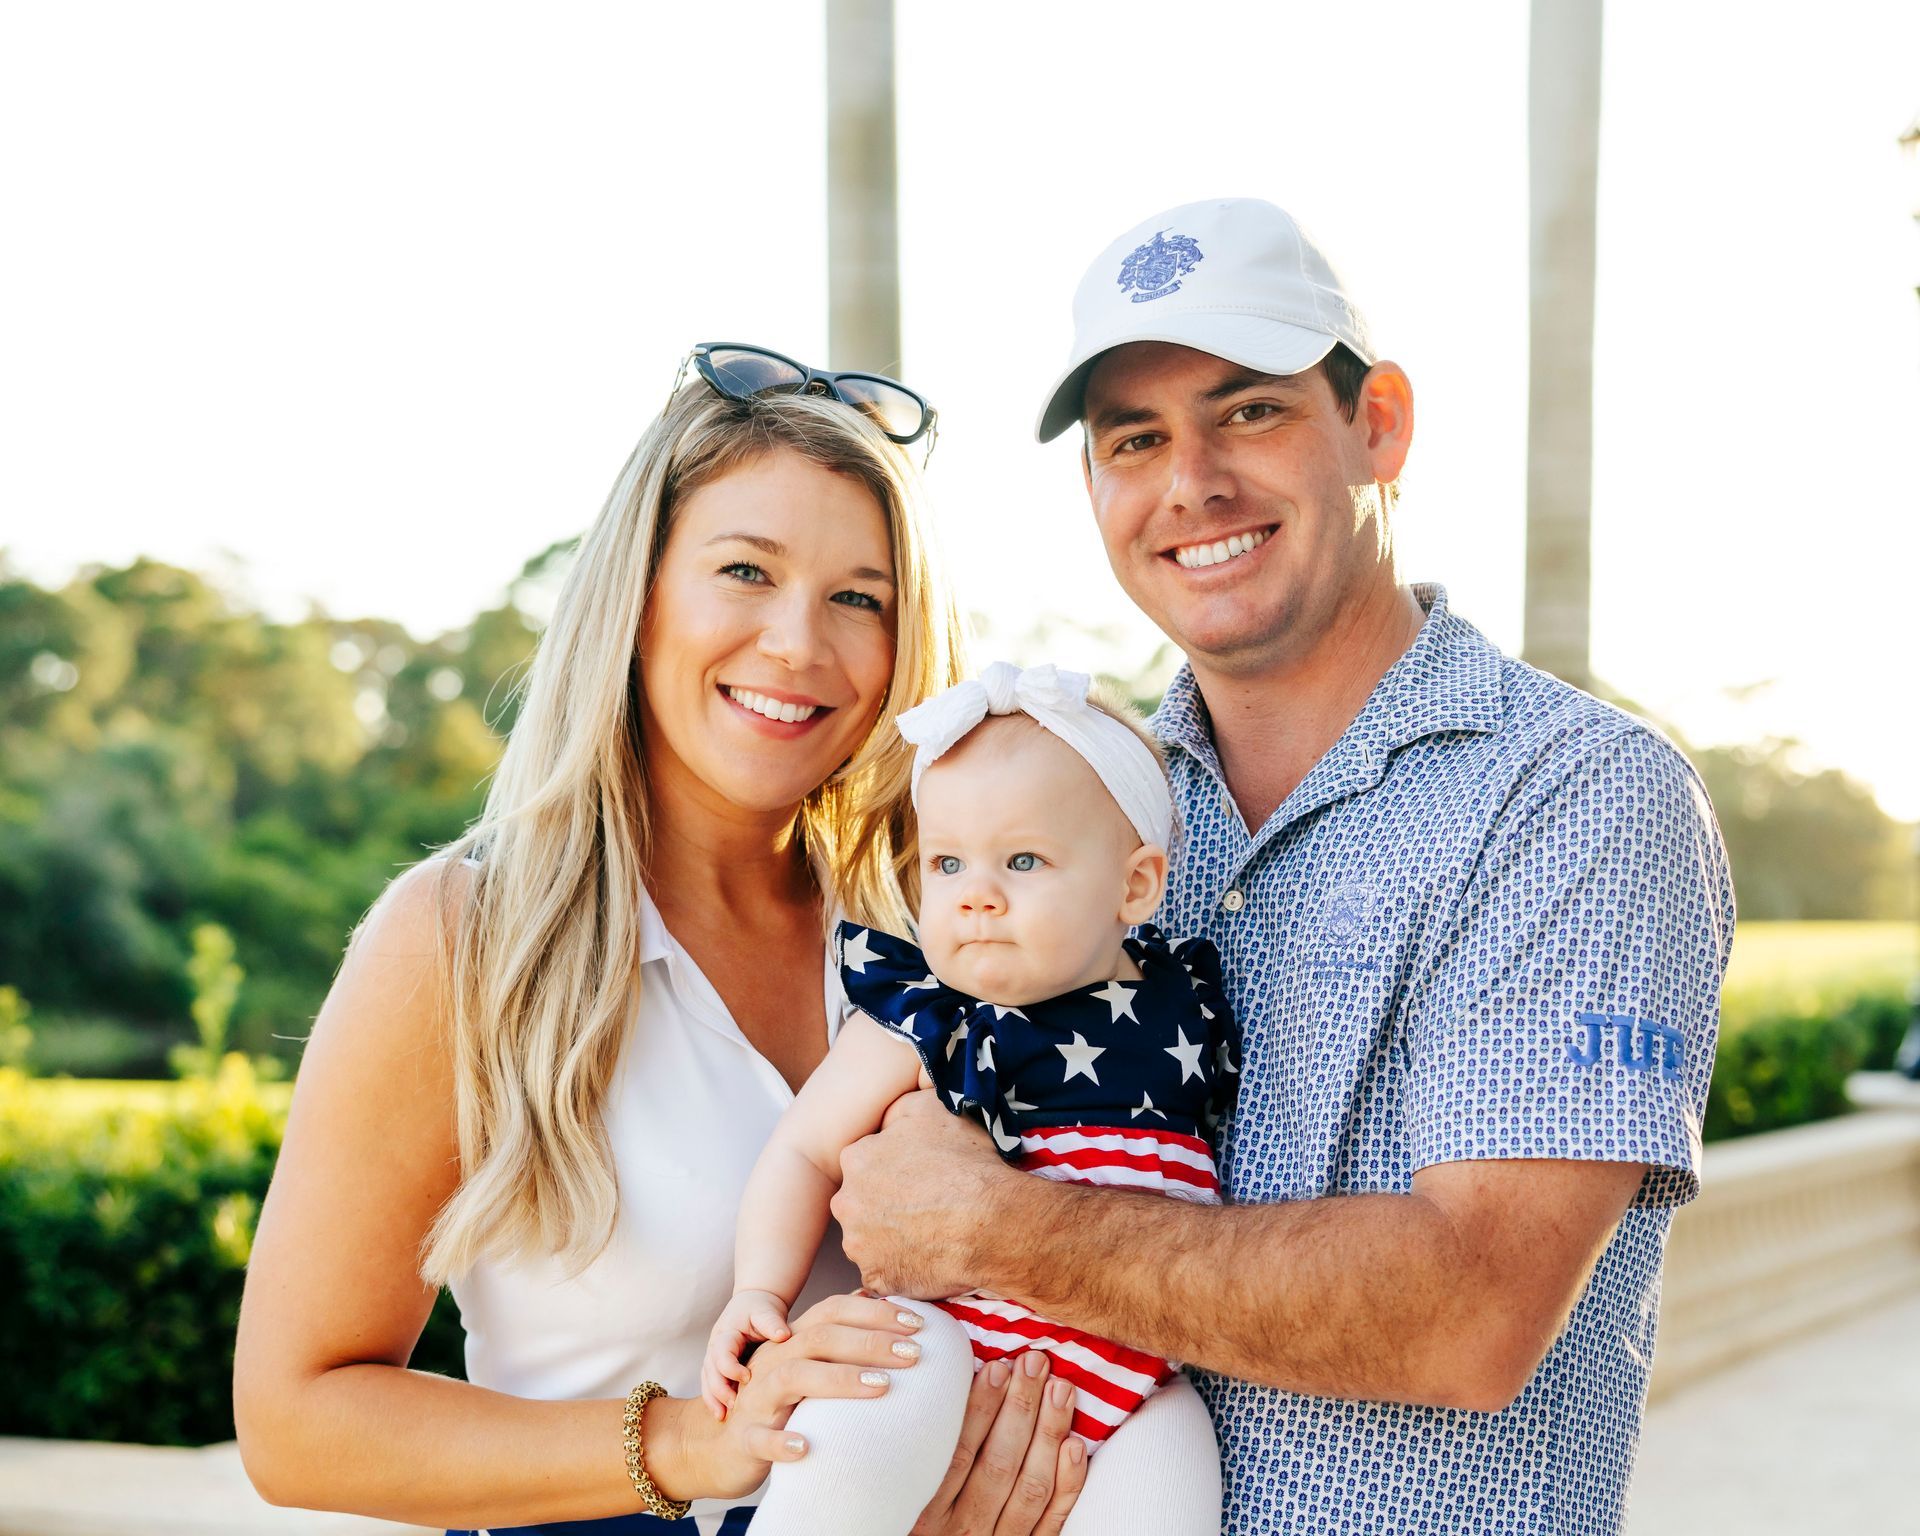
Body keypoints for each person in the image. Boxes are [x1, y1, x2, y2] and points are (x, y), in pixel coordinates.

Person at [829, 199, 1736, 1534]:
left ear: (1381, 425)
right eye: (1133, 440)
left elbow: (1471, 1313)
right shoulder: (1077, 808)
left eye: (1248, 411)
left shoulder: (1579, 797)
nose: (1190, 481)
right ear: (1095, 492)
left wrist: (1000, 1233)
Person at [232, 345, 1092, 1536]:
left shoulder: (946, 930)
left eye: (860, 597)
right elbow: (296, 1421)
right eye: (746, 570)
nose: (799, 643)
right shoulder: (466, 938)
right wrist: (701, 1440)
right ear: (639, 596)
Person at [702, 662, 1237, 1535]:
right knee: (865, 1416)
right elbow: (804, 1148)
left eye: (1023, 859)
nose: (977, 894)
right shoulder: (932, 1018)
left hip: (1134, 1378)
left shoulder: (1183, 1000)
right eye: (948, 862)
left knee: (1177, 1491)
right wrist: (758, 1286)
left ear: (1135, 886)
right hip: (950, 1340)